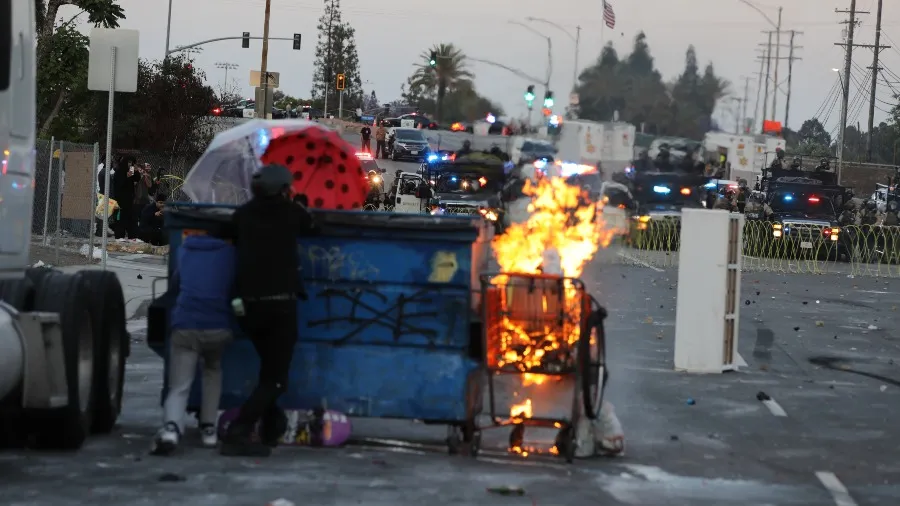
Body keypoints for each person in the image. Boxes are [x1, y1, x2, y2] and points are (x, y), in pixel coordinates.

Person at [220, 164, 317, 457]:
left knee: (268, 369)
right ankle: (239, 430)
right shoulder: (291, 213)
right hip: (280, 307)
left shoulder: (243, 214)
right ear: (283, 189)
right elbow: (313, 227)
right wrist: (300, 205)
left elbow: (228, 232)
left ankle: (271, 427)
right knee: (276, 378)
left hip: (247, 308)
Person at [151, 229, 236, 455]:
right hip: (218, 326)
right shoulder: (229, 253)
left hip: (186, 325)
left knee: (180, 383)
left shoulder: (184, 250)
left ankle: (171, 428)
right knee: (212, 371)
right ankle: (209, 428)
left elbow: (175, 286)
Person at [113, 156, 140, 238]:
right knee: (121, 219)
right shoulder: (119, 172)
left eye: (131, 163)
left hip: (129, 200)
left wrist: (136, 171)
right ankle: (120, 236)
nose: (130, 164)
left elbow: (137, 178)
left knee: (131, 218)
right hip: (120, 201)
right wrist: (127, 177)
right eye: (128, 162)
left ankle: (132, 235)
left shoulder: (130, 171)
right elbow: (119, 185)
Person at [134, 163, 154, 228]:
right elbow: (134, 183)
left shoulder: (147, 175)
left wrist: (145, 176)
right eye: (138, 169)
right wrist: (139, 176)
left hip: (144, 199)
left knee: (143, 216)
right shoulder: (134, 175)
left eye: (141, 169)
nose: (140, 170)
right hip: (136, 200)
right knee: (135, 217)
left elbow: (149, 185)